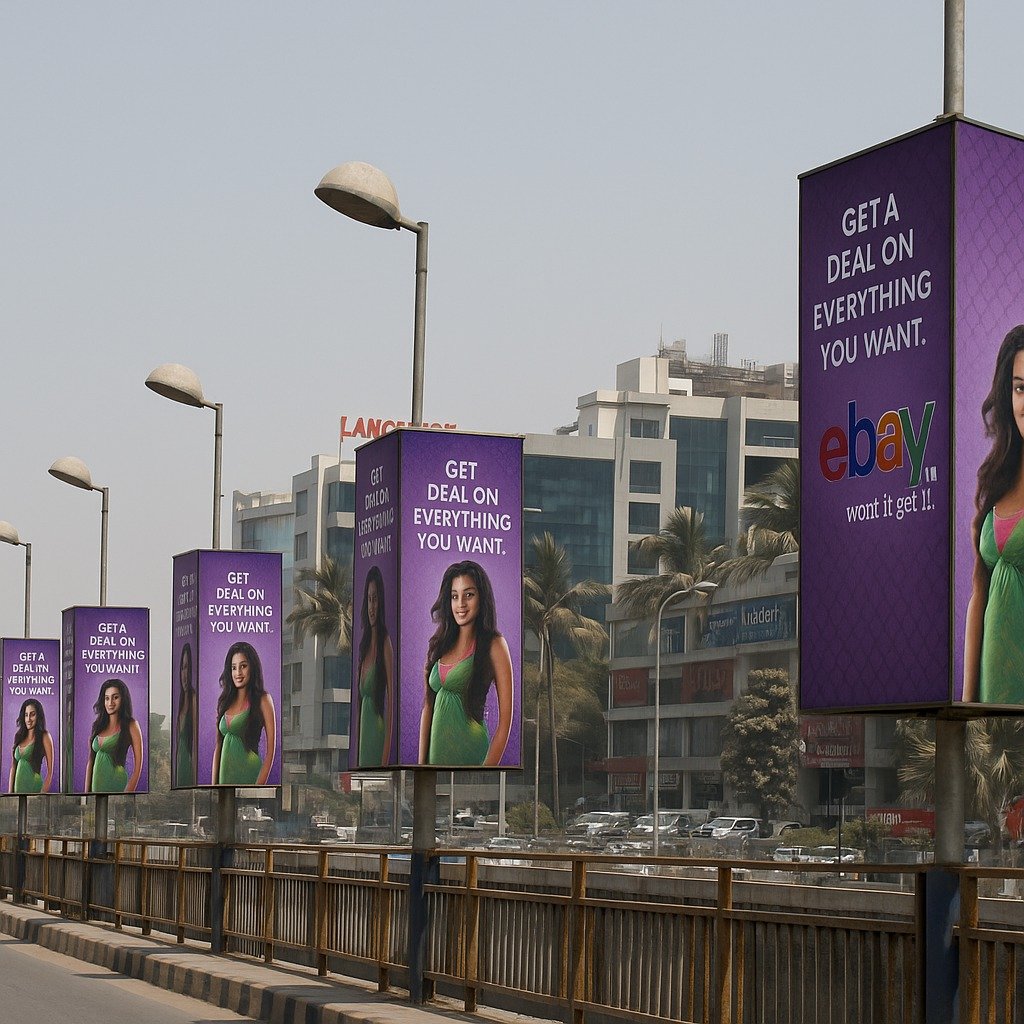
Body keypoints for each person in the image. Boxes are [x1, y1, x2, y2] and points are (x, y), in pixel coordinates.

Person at [964, 324, 1024, 702]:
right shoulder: (996, 478)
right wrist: (967, 705)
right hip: (992, 708)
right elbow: (978, 595)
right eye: (1021, 388)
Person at [419, 560, 513, 766]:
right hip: (435, 758)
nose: (460, 604)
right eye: (454, 596)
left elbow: (505, 722)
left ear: (482, 598)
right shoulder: (440, 645)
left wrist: (486, 771)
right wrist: (421, 765)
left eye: (468, 595)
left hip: (472, 754)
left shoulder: (494, 645)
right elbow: (428, 706)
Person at [212, 641, 276, 785]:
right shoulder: (225, 702)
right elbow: (218, 746)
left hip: (250, 775)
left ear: (252, 667)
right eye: (234, 668)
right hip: (224, 779)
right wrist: (214, 786)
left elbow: (271, 751)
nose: (238, 673)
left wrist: (258, 787)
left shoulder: (263, 700)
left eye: (243, 666)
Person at [356, 566, 394, 767]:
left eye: (376, 599)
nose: (372, 606)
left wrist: (385, 759)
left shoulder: (385, 643)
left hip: (378, 737)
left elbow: (392, 704)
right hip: (363, 741)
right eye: (369, 599)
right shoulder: (362, 646)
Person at [86, 679, 144, 793]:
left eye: (115, 697)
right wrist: (86, 793)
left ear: (123, 699)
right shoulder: (98, 726)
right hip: (96, 786)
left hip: (117, 784)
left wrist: (128, 792)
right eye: (107, 698)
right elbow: (90, 762)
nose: (110, 703)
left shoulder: (131, 725)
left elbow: (138, 766)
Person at [9, 698, 54, 794]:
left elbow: (50, 771)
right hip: (17, 791)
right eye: (26, 715)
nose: (28, 719)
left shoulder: (44, 736)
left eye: (32, 714)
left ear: (38, 716)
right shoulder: (18, 737)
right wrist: (10, 793)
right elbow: (13, 767)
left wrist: (42, 793)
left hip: (35, 788)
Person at [175, 642, 197, 786]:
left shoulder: (195, 699)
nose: (185, 674)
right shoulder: (180, 702)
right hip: (180, 766)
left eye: (188, 667)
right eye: (183, 667)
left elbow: (195, 741)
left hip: (190, 766)